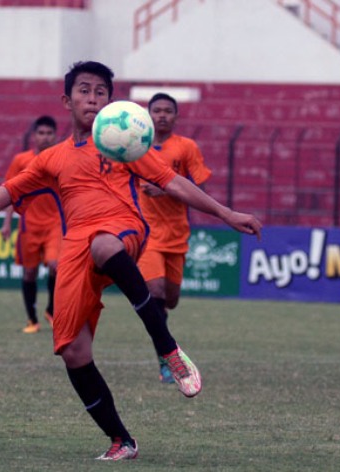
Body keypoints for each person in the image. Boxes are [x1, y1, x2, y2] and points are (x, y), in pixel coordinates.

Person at [0, 61, 262, 461]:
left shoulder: (124, 142)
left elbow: (174, 182)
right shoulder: (51, 159)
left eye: (101, 92)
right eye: (85, 90)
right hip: (74, 249)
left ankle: (167, 348)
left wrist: (227, 214)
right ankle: (121, 441)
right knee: (73, 352)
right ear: (67, 100)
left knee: (104, 245)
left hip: (123, 231)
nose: (93, 98)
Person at [138, 92, 212, 384]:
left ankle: (165, 349)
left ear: (176, 116)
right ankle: (167, 360)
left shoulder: (186, 147)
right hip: (148, 234)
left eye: (168, 111)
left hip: (177, 234)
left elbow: (199, 185)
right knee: (154, 293)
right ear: (148, 114)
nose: (162, 115)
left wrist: (168, 188)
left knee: (170, 300)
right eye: (157, 110)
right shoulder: (135, 146)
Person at [0, 115, 63, 333]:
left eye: (49, 133)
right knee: (29, 273)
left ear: (56, 136)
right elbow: (10, 192)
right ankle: (32, 320)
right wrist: (7, 223)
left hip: (55, 223)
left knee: (57, 265)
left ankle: (52, 311)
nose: (45, 137)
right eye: (41, 133)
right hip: (29, 225)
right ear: (34, 136)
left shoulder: (61, 159)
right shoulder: (21, 160)